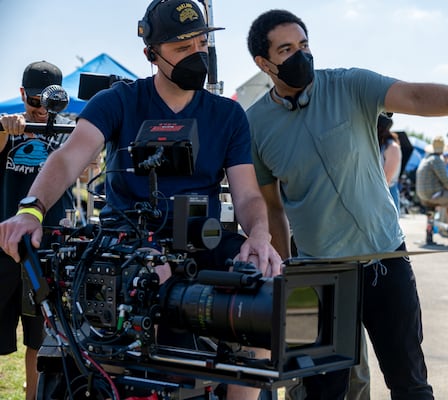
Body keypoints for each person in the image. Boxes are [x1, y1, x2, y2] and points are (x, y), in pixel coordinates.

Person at [245, 9, 448, 400]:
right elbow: (270, 205)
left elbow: (415, 95)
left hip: (386, 261)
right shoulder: (254, 124)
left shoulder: (350, 84)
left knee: (410, 384)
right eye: (286, 49)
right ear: (264, 63)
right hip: (313, 276)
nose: (301, 55)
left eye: (304, 45)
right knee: (318, 392)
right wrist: (281, 272)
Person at [0, 2, 282, 400]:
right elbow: (68, 158)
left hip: (205, 242)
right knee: (133, 302)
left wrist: (259, 235)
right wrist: (31, 209)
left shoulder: (229, 115)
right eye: (182, 48)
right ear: (152, 54)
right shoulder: (119, 101)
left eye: (201, 44)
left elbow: (249, 194)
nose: (196, 55)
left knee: (266, 296)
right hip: (126, 246)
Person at [0, 60, 75, 400]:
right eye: (33, 101)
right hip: (3, 249)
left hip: (45, 251)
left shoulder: (68, 133)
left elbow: (85, 173)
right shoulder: (8, 129)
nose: (40, 110)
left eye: (47, 102)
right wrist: (7, 129)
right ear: (21, 96)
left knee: (39, 340)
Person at [377, 112, 402, 212]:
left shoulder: (392, 147)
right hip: (379, 192)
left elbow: (386, 180)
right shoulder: (381, 145)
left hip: (387, 194)